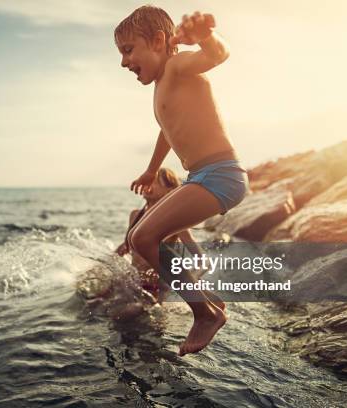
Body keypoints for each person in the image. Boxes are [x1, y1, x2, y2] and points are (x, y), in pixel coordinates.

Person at [114, 6, 249, 356]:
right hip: (205, 176)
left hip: (221, 175)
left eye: (128, 50)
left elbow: (218, 54)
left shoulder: (176, 66)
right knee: (141, 235)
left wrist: (204, 35)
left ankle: (205, 313)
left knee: (142, 236)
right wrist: (151, 169)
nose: (124, 62)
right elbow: (167, 131)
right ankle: (204, 300)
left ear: (159, 41)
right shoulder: (163, 86)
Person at [115, 168, 225, 310]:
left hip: (160, 287)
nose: (147, 184)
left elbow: (202, 260)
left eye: (154, 182)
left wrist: (185, 282)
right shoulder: (135, 215)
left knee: (134, 316)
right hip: (137, 282)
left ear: (170, 191)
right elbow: (125, 248)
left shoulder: (173, 220)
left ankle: (208, 305)